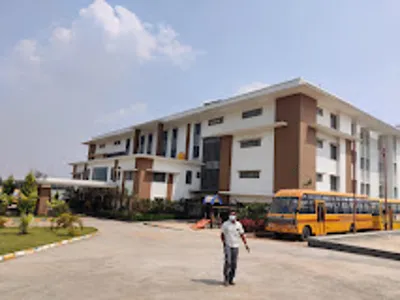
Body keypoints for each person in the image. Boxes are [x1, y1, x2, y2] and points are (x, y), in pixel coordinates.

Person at [220, 211, 250, 286]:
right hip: (228, 245)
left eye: (234, 215)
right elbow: (222, 234)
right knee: (228, 262)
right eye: (231, 215)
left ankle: (231, 278)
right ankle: (226, 279)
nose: (232, 216)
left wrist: (245, 244)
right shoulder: (225, 224)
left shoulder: (239, 225)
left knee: (234, 263)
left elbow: (242, 234)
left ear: (236, 216)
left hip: (236, 246)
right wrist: (224, 243)